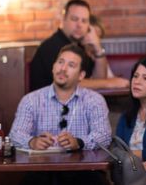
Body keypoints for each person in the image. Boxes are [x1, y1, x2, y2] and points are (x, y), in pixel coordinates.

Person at [10, 44, 112, 185]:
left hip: (84, 171)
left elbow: (104, 136)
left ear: (81, 75)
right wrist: (32, 141)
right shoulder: (31, 100)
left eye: (71, 65)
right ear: (53, 67)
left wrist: (79, 142)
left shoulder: (94, 100)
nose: (63, 68)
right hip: (42, 171)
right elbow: (15, 134)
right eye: (60, 62)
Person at [29, 0, 123, 91]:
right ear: (64, 19)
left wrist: (98, 48)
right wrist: (109, 83)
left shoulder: (79, 47)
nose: (79, 25)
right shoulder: (52, 46)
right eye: (74, 19)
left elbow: (97, 79)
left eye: (84, 21)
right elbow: (70, 82)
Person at [116, 58, 146, 174]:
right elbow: (116, 150)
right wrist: (136, 162)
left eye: (145, 78)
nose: (137, 82)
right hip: (130, 175)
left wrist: (135, 156)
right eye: (135, 76)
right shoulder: (126, 115)